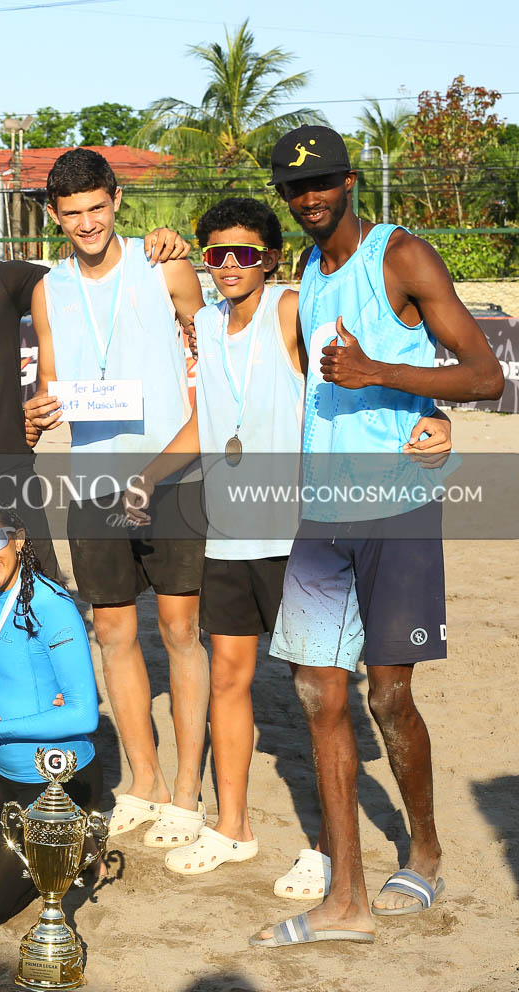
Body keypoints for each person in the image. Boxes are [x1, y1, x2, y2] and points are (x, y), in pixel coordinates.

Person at [123, 197, 451, 882]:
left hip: (301, 530)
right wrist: (149, 476)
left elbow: (368, 367)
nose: (229, 265)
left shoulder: (293, 308)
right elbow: (210, 421)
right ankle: (233, 827)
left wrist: (434, 416)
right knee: (228, 677)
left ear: (270, 258)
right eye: (217, 253)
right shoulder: (206, 324)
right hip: (229, 532)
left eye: (245, 252)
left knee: (319, 691)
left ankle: (330, 849)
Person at [251, 125, 503, 947]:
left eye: (321, 182)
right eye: (295, 188)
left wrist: (383, 376)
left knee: (388, 697)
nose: (309, 197)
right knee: (317, 692)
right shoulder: (307, 274)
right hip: (322, 515)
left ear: (350, 181)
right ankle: (346, 903)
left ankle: (424, 850)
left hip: (397, 510)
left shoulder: (401, 255)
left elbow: (486, 375)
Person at [24, 148, 209, 850]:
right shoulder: (49, 290)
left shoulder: (164, 266)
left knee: (181, 632)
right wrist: (38, 410)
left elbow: (211, 344)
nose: (87, 223)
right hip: (94, 482)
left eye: (97, 208)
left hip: (173, 476)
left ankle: (187, 791)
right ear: (55, 215)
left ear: (117, 202)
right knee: (113, 633)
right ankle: (145, 779)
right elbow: (49, 382)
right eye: (72, 213)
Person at [0, 172, 187, 564]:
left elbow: (89, 283)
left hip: (12, 474)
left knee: (39, 594)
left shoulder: (1, 280)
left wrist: (150, 244)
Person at [0, 504, 101, 926]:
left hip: (57, 776)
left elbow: (84, 715)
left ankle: (76, 842)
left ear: (19, 540)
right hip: (1, 769)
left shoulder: (51, 604)